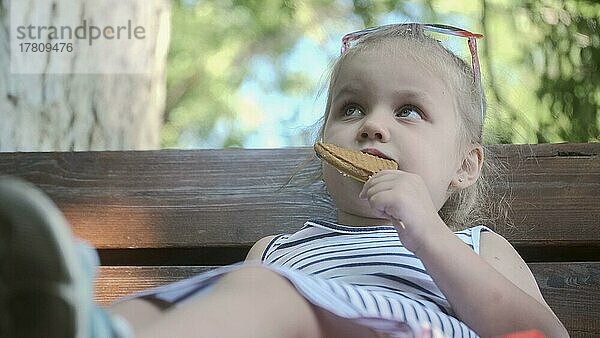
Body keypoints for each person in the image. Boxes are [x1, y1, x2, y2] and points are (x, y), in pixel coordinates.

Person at [0, 23, 568, 338]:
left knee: (263, 289)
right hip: (282, 311)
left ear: (465, 165)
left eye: (408, 112)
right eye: (350, 109)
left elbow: (541, 335)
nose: (371, 125)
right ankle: (83, 325)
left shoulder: (474, 247)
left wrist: (429, 236)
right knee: (172, 304)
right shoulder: (281, 251)